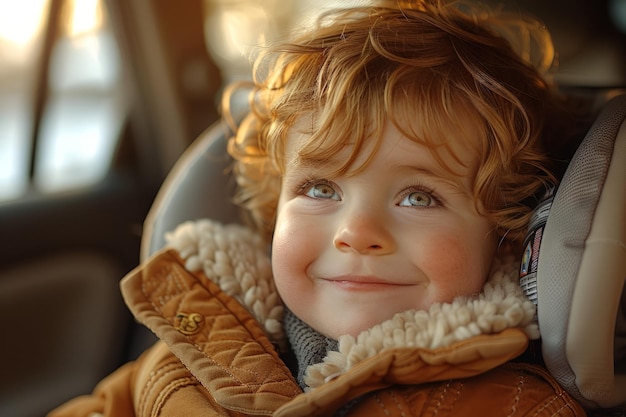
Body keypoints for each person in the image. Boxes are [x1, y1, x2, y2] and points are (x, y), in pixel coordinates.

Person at [49, 0, 589, 415]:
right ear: (273, 209)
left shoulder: (509, 403)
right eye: (321, 190)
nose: (355, 233)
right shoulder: (197, 341)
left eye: (418, 197)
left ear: (505, 232)